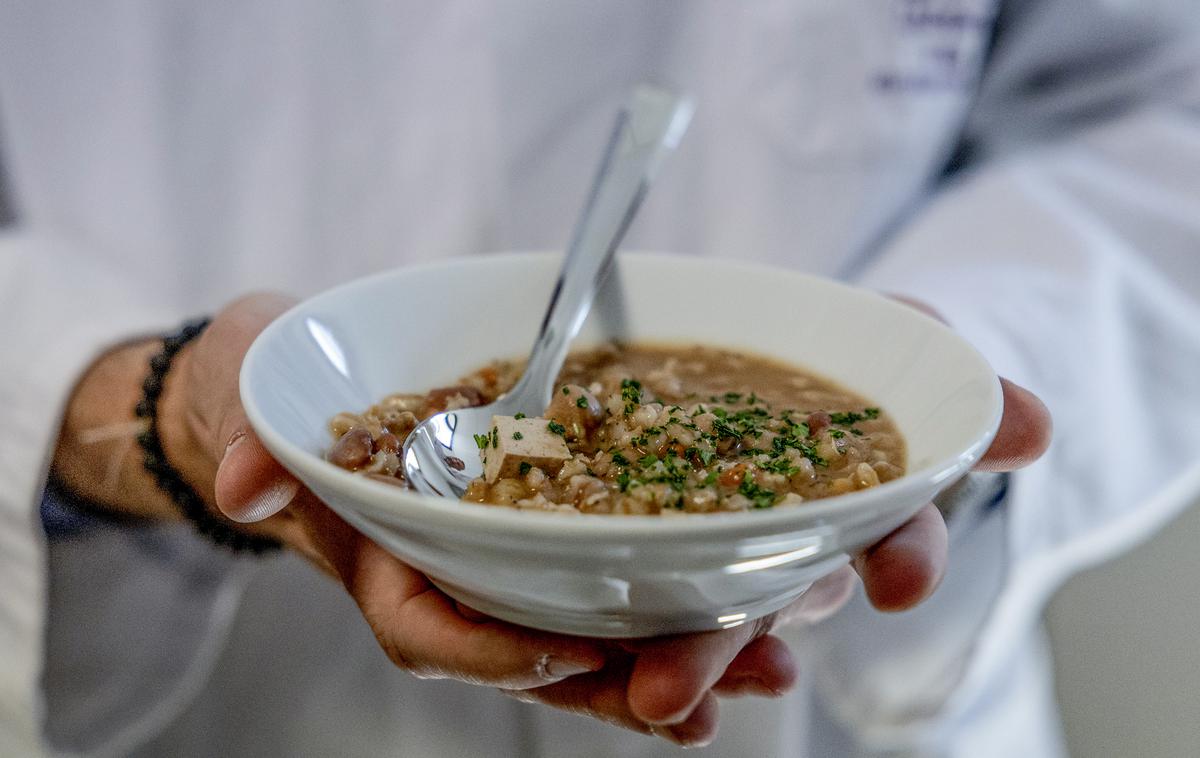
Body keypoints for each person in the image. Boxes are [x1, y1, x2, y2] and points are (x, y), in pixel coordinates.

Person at [0, 1, 1196, 756]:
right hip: (237, 695)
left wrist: (946, 381)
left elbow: (1158, 116)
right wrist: (120, 396)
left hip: (816, 709)